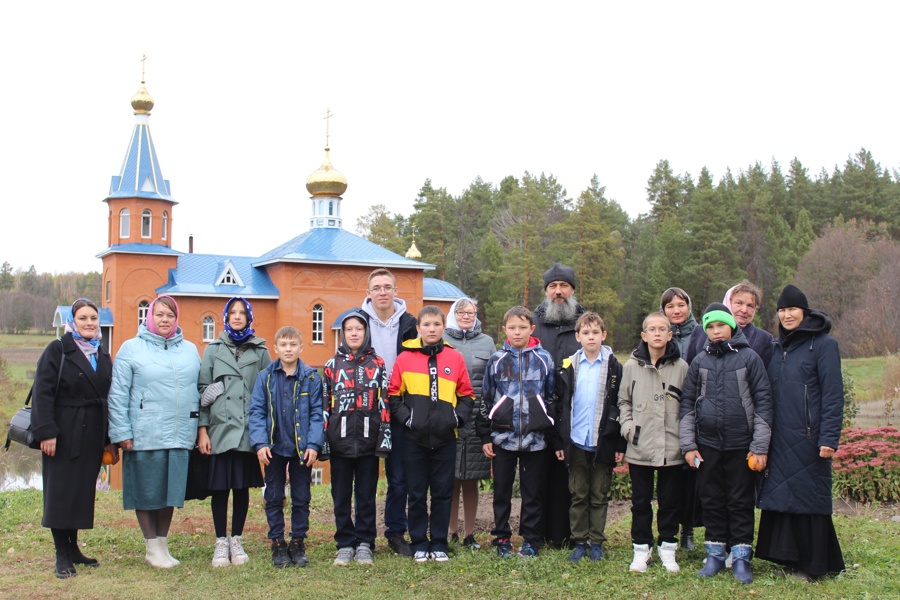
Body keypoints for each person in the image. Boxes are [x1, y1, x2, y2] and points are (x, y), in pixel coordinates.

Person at [756, 285, 845, 581]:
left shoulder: (823, 344)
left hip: (810, 436)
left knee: (810, 499)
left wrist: (829, 438)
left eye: (792, 309)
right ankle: (789, 559)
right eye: (781, 310)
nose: (786, 315)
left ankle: (814, 565)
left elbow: (833, 394)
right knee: (784, 498)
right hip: (780, 437)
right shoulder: (779, 347)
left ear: (804, 312)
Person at [679, 303, 772, 584]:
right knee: (711, 500)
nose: (716, 331)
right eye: (710, 327)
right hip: (706, 445)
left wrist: (759, 447)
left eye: (720, 325)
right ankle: (715, 555)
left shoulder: (749, 358)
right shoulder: (700, 361)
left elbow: (764, 403)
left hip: (741, 445)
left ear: (731, 326)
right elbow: (686, 404)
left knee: (740, 500)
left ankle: (741, 556)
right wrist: (688, 445)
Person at [108, 295, 201, 568]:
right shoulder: (131, 349)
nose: (164, 320)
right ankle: (151, 547)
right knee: (147, 491)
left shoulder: (189, 350)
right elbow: (118, 394)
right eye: (159, 314)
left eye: (170, 315)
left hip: (180, 431)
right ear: (149, 317)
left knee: (170, 492)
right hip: (145, 432)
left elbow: (197, 387)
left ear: (176, 319)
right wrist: (121, 431)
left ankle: (162, 545)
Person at [31, 298, 116, 579]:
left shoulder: (101, 354)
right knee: (61, 493)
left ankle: (74, 548)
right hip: (63, 433)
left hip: (91, 434)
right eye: (83, 318)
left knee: (80, 493)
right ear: (72, 321)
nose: (90, 323)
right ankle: (61, 555)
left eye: (93, 318)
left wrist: (107, 438)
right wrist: (46, 432)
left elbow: (106, 398)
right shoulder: (58, 350)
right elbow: (42, 391)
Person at [388, 306, 474, 564]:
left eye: (437, 324)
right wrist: (408, 419)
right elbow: (394, 395)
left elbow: (467, 395)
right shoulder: (405, 357)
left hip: (445, 439)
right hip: (414, 439)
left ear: (443, 326)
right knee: (415, 493)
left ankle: (438, 542)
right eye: (427, 325)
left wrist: (455, 419)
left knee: (442, 493)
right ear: (419, 328)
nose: (432, 329)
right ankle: (418, 543)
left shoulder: (454, 357)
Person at [477, 306, 559, 559]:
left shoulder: (544, 359)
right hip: (504, 437)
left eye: (522, 327)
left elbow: (552, 397)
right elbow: (486, 399)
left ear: (532, 329)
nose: (517, 332)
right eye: (512, 327)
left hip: (536, 439)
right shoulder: (497, 360)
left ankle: (531, 539)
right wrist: (485, 436)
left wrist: (551, 433)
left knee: (532, 493)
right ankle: (502, 537)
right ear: (504, 330)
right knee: (501, 491)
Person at [197, 297, 271, 567]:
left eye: (242, 313)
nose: (237, 317)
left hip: (248, 428)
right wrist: (203, 430)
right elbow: (202, 391)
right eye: (232, 313)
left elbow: (267, 391)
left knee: (241, 486)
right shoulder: (213, 349)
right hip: (220, 428)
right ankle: (220, 542)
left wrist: (264, 432)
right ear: (225, 317)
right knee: (220, 487)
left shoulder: (260, 350)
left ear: (249, 317)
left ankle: (236, 539)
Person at [618, 312, 689, 574]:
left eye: (663, 329)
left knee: (670, 501)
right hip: (640, 445)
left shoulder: (682, 367)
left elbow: (689, 405)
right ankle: (641, 548)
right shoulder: (632, 366)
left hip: (672, 447)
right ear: (644, 335)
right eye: (652, 329)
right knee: (641, 501)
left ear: (670, 335)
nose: (657, 333)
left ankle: (668, 547)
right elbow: (623, 401)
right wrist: (628, 428)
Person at [249, 326, 324, 569]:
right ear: (276, 348)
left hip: (302, 449)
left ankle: (298, 542)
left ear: (301, 348)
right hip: (274, 447)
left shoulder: (312, 377)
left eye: (293, 345)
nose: (288, 349)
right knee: (274, 496)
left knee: (301, 497)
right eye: (283, 345)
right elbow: (257, 412)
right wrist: (260, 443)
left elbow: (316, 415)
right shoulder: (266, 377)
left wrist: (313, 443)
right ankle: (278, 542)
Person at [322, 309, 391, 566]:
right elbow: (325, 405)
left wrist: (383, 441)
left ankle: (364, 542)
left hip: (368, 441)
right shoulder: (332, 366)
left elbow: (384, 403)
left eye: (358, 329)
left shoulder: (378, 364)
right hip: (339, 442)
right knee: (340, 495)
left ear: (366, 333)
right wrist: (325, 442)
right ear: (343, 333)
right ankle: (344, 542)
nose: (354, 333)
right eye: (349, 329)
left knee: (366, 495)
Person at [554, 312, 624, 563]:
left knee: (599, 494)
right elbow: (561, 406)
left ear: (603, 335)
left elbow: (621, 406)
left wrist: (618, 443)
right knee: (578, 494)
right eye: (585, 333)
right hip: (576, 439)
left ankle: (596, 541)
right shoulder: (569, 366)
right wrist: (560, 441)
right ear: (578, 337)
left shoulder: (615, 367)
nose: (591, 337)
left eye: (595, 332)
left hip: (602, 440)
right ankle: (580, 541)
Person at [360, 267, 417, 556]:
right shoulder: (358, 322)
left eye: (387, 287)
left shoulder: (409, 324)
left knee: (399, 476)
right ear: (368, 293)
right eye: (377, 287)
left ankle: (396, 532)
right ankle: (365, 537)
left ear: (395, 291)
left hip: (399, 406)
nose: (382, 292)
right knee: (367, 475)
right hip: (366, 409)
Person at [532, 262, 583, 547]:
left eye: (564, 286)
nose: (558, 291)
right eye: (553, 286)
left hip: (572, 412)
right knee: (539, 476)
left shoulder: (584, 322)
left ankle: (564, 534)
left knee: (567, 478)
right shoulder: (533, 322)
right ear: (546, 291)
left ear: (573, 290)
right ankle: (536, 535)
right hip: (538, 409)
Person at [442, 297, 495, 549]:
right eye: (461, 312)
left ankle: (469, 533)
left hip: (477, 419)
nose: (466, 316)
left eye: (470, 312)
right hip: (449, 418)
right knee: (450, 477)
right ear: (453, 314)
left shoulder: (487, 342)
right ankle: (451, 530)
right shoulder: (442, 340)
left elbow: (493, 379)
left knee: (472, 478)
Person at [660, 287, 700, 550]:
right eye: (670, 306)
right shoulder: (660, 334)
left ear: (689, 306)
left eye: (680, 305)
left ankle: (690, 529)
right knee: (672, 475)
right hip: (667, 411)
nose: (676, 310)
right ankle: (671, 529)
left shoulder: (701, 333)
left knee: (694, 473)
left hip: (697, 409)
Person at [684, 280, 774, 367]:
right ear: (728, 302)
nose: (744, 310)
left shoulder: (764, 339)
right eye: (739, 303)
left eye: (750, 306)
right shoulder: (700, 332)